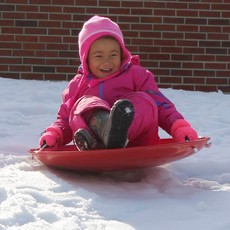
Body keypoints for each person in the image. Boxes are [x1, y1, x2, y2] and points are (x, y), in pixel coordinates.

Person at [39, 15, 198, 151]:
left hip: (136, 144)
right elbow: (65, 119)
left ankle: (116, 134)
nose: (107, 61)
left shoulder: (136, 75)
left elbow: (161, 105)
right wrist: (55, 135)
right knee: (83, 104)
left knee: (145, 101)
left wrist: (179, 127)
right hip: (94, 143)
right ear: (86, 59)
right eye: (99, 56)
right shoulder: (77, 86)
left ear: (122, 54)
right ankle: (102, 135)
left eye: (113, 55)